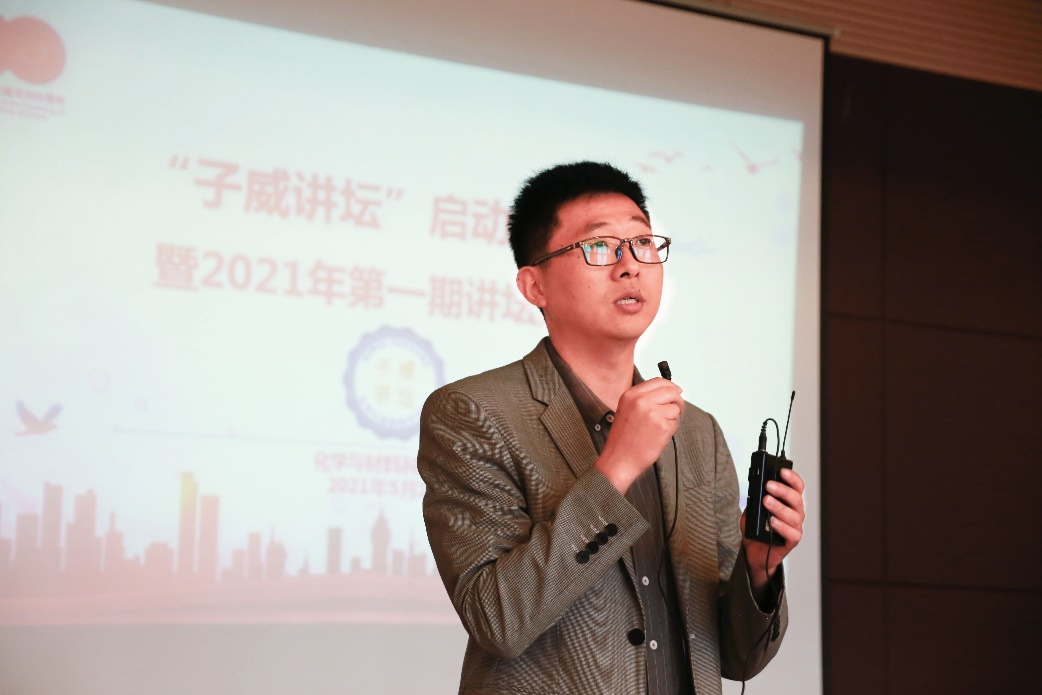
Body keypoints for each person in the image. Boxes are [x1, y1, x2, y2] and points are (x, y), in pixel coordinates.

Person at [418, 162, 806, 695]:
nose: (630, 267)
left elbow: (738, 659)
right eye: (599, 247)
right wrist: (616, 467)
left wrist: (759, 569)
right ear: (534, 285)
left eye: (643, 244)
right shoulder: (471, 413)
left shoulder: (698, 434)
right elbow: (498, 621)